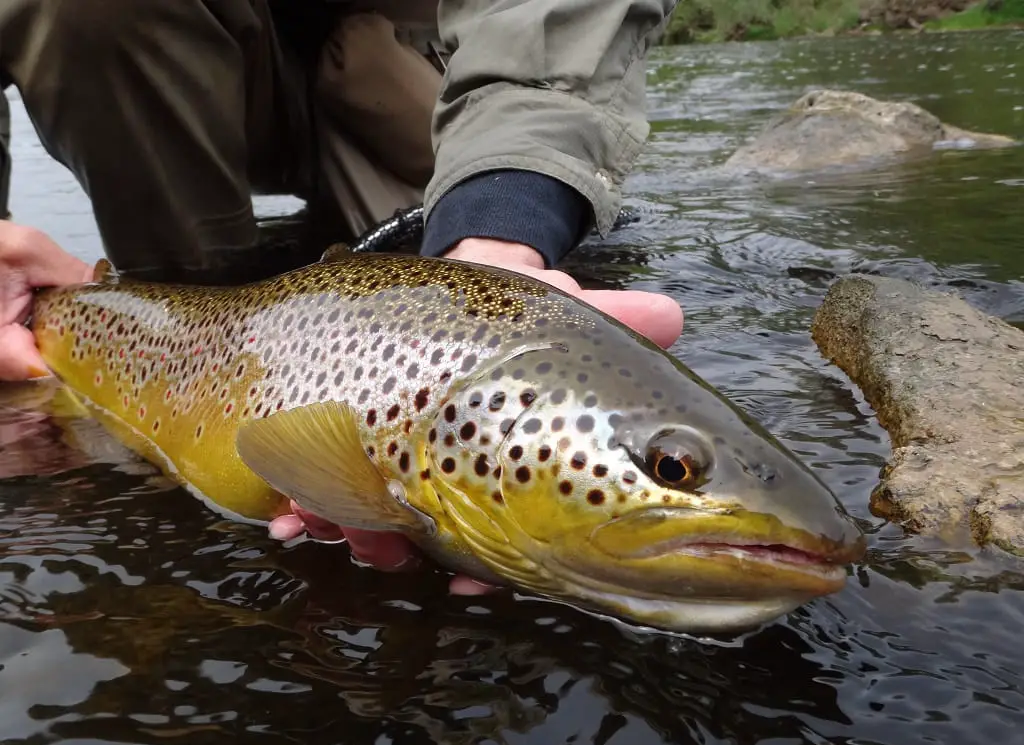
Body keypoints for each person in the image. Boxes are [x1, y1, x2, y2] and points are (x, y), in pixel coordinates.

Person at [0, 0, 684, 593]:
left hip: (424, 66)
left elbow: (555, 23)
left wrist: (499, 232)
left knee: (504, 222)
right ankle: (183, 299)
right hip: (173, 66)